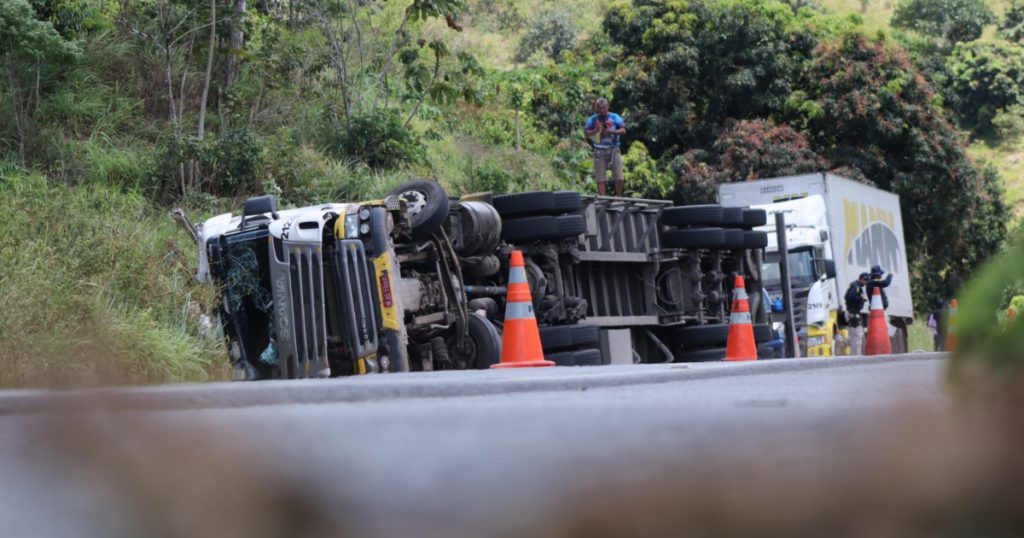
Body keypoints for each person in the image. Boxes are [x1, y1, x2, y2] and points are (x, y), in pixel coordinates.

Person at [583, 98, 626, 196]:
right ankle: (603, 199)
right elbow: (586, 134)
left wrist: (612, 131)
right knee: (600, 177)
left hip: (614, 148)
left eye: (604, 108)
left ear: (607, 107)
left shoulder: (614, 117)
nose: (602, 110)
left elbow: (623, 130)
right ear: (597, 108)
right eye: (600, 108)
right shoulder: (593, 119)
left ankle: (619, 197)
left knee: (619, 176)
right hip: (599, 150)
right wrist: (595, 130)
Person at [844, 272, 869, 354]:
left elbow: (846, 297)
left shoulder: (853, 285)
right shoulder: (857, 286)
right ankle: (857, 357)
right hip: (854, 313)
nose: (866, 282)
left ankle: (847, 347)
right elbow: (852, 297)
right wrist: (861, 298)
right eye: (865, 280)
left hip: (850, 313)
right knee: (858, 336)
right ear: (861, 279)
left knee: (852, 336)